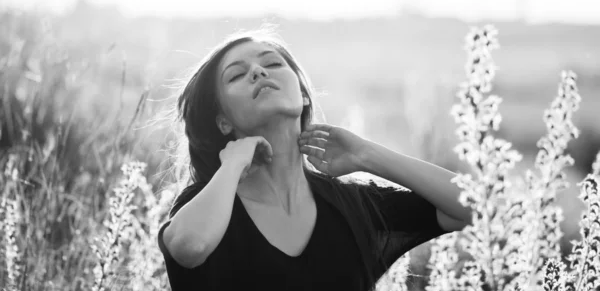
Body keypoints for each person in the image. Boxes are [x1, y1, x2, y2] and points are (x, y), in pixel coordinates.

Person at [157, 27, 469, 291]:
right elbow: (191, 246)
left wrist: (367, 155)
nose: (258, 71)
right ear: (223, 121)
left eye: (273, 64)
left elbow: (473, 205)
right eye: (237, 75)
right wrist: (232, 165)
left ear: (303, 94)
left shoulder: (352, 205)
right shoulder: (205, 204)